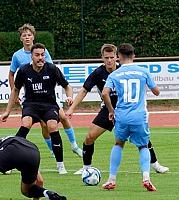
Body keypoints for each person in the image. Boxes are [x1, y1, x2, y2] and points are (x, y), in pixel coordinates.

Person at [65, 44, 169, 175]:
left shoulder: (124, 70)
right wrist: (72, 108)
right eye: (106, 57)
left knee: (144, 139)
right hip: (107, 110)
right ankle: (86, 168)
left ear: (117, 57)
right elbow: (84, 90)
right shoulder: (98, 73)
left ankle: (155, 165)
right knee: (89, 137)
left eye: (112, 57)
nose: (109, 60)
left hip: (125, 110)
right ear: (102, 58)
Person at [8, 23, 82, 158]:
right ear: (21, 39)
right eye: (24, 35)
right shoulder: (17, 56)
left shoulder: (43, 51)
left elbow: (50, 69)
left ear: (33, 37)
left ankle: (74, 145)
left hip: (47, 94)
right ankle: (53, 151)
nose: (27, 37)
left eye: (29, 35)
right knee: (44, 125)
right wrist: (14, 92)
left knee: (63, 117)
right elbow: (12, 74)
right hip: (32, 97)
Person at [1, 43, 71, 174]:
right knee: (25, 124)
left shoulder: (52, 69)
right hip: (31, 105)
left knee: (52, 126)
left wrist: (70, 97)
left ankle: (60, 165)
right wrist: (7, 111)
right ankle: (10, 162)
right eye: (37, 55)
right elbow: (15, 90)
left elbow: (67, 86)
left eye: (42, 55)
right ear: (31, 57)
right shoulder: (23, 70)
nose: (40, 58)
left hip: (49, 105)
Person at [101, 43, 160, 191]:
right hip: (139, 116)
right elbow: (157, 92)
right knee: (143, 146)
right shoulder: (143, 71)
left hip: (121, 115)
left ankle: (111, 180)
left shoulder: (114, 74)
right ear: (133, 56)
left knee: (118, 144)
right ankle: (146, 178)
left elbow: (104, 93)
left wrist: (111, 110)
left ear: (119, 57)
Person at [0, 135, 66, 200]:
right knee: (26, 191)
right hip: (34, 152)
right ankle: (48, 193)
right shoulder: (12, 140)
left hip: (13, 150)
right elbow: (40, 181)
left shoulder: (5, 146)